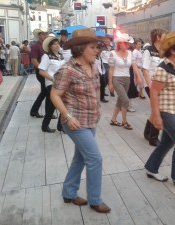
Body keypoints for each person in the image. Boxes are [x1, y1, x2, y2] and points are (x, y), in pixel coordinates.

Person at [50, 28, 111, 213]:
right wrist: (67, 117)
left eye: (97, 47)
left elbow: (97, 88)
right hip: (74, 122)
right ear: (80, 49)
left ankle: (68, 192)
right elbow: (54, 95)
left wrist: (98, 107)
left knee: (80, 159)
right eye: (92, 47)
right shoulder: (67, 70)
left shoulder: (93, 65)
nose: (97, 50)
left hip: (91, 119)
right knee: (94, 158)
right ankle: (95, 200)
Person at [144, 31, 175, 191]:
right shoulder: (163, 68)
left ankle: (151, 167)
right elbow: (154, 92)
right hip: (167, 112)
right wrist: (156, 116)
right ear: (173, 50)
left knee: (167, 142)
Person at [108, 33, 141, 130]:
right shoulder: (113, 54)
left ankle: (113, 119)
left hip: (127, 79)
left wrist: (138, 77)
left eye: (127, 44)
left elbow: (134, 66)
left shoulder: (130, 53)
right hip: (116, 78)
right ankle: (125, 121)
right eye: (124, 43)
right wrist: (110, 84)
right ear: (119, 44)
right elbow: (111, 69)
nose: (126, 45)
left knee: (120, 100)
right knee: (126, 100)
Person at [142, 28, 167, 146]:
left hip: (161, 85)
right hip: (151, 84)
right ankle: (154, 137)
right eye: (164, 35)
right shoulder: (148, 50)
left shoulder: (164, 51)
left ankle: (147, 132)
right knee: (158, 109)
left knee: (155, 109)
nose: (166, 37)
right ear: (158, 37)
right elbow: (145, 70)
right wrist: (152, 88)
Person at [38, 36, 65, 133]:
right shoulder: (46, 56)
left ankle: (47, 126)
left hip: (62, 84)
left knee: (52, 106)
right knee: (60, 104)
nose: (57, 45)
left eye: (58, 43)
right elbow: (41, 71)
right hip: (51, 84)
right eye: (54, 44)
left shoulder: (61, 56)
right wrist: (53, 79)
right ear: (50, 46)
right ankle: (60, 126)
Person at [30, 28, 49, 118]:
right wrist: (42, 69)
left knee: (45, 92)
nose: (45, 35)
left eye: (46, 34)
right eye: (43, 34)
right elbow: (34, 61)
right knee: (46, 92)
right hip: (41, 71)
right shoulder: (35, 46)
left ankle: (36, 111)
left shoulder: (47, 46)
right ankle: (37, 111)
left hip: (47, 71)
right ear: (39, 36)